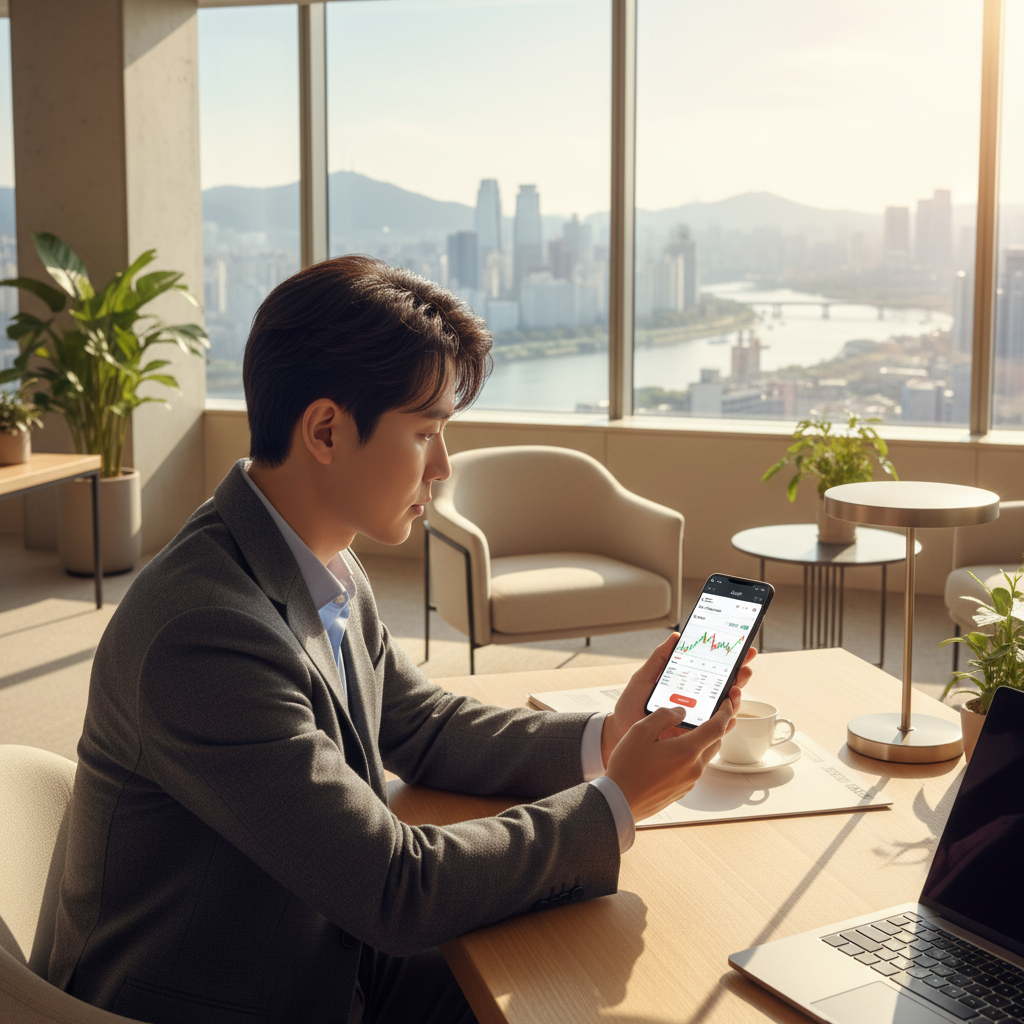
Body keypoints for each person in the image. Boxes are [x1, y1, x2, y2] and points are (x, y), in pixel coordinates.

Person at [49, 256, 755, 1024]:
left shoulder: (321, 558)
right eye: (426, 432)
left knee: (579, 986)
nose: (444, 466)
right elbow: (392, 889)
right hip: (236, 998)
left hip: (317, 950)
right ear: (325, 429)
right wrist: (615, 802)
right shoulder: (206, 634)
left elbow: (420, 725)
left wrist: (608, 737)